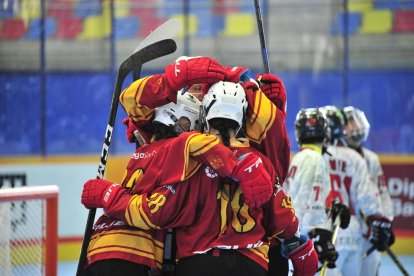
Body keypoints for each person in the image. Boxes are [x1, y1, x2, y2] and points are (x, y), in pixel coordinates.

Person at [81, 80, 319, 276]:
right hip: (250, 262)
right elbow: (283, 221)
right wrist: (298, 245)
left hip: (198, 263)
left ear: (205, 114)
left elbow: (168, 212)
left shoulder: (190, 159)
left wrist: (111, 195)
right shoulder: (260, 161)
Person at [320, 105, 390, 276]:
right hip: (353, 231)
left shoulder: (315, 157)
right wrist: (379, 222)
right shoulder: (355, 158)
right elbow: (368, 197)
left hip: (327, 230)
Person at [284, 108, 350, 272]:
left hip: (297, 239)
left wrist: (331, 209)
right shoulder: (315, 159)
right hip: (306, 242)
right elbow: (306, 202)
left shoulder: (299, 157)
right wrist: (319, 236)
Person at [342, 106, 395, 276]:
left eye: (356, 122)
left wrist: (385, 222)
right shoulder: (337, 158)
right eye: (350, 124)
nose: (354, 127)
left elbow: (382, 193)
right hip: (346, 234)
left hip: (370, 234)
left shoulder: (371, 159)